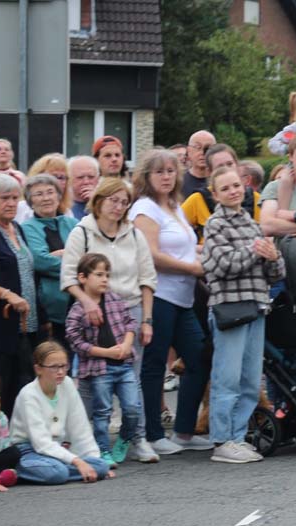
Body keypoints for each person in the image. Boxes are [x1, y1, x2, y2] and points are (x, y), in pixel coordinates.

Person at [60, 177, 158, 462]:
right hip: (93, 311)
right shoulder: (83, 232)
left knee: (132, 379)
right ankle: (84, 439)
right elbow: (69, 277)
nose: (118, 207)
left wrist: (147, 320)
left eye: (124, 202)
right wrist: (88, 301)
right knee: (91, 381)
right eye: (113, 200)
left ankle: (137, 438)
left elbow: (147, 279)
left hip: (129, 309)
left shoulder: (134, 234)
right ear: (99, 201)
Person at [128, 151, 211, 455]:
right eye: (159, 171)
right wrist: (192, 269)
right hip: (158, 296)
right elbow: (150, 254)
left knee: (198, 357)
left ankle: (184, 432)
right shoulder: (145, 208)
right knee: (154, 365)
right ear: (146, 176)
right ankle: (152, 434)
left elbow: (189, 249)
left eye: (171, 171)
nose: (166, 176)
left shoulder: (174, 207)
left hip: (184, 297)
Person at [201, 165, 285, 464]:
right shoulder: (215, 225)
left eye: (236, 185)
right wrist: (255, 251)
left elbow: (275, 272)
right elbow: (218, 266)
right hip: (230, 309)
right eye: (225, 188)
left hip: (257, 306)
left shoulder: (251, 222)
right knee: (227, 378)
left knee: (251, 379)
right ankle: (222, 440)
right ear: (214, 194)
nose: (233, 191)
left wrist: (273, 257)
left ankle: (238, 436)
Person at [64, 254, 144, 466]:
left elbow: (130, 322)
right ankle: (103, 449)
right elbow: (75, 341)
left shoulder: (115, 299)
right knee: (102, 412)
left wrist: (127, 345)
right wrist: (105, 352)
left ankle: (125, 438)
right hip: (100, 369)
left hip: (124, 365)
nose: (104, 279)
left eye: (107, 275)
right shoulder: (78, 309)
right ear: (82, 277)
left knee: (132, 407)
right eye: (99, 274)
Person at [10, 340, 112, 484]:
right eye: (53, 367)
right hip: (28, 451)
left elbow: (80, 428)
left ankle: (65, 469)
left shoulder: (67, 384)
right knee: (57, 473)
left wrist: (93, 459)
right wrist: (77, 462)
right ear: (38, 369)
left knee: (101, 465)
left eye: (64, 366)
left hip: (55, 450)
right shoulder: (28, 395)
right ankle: (18, 471)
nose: (60, 372)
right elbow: (41, 443)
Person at [0, 174, 38, 415]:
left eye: (15, 198)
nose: (11, 203)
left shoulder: (17, 228)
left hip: (26, 325)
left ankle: (14, 444)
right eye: (4, 198)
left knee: (21, 386)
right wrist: (6, 294)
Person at [20, 174, 78, 343]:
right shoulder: (27, 228)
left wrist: (61, 255)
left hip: (79, 304)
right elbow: (40, 261)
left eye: (50, 192)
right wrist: (73, 259)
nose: (46, 198)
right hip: (48, 310)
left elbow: (89, 258)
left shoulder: (73, 223)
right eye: (39, 194)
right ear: (30, 201)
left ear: (59, 196)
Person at [181, 143, 260, 241]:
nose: (227, 170)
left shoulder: (255, 198)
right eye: (220, 167)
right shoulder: (198, 199)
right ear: (210, 172)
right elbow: (173, 230)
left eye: (230, 164)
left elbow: (266, 235)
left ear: (237, 166)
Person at [181, 130, 217, 199]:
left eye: (208, 148)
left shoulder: (221, 181)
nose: (202, 153)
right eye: (198, 147)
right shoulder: (178, 182)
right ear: (188, 151)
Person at [67, 156, 100, 220]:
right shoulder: (63, 206)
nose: (86, 182)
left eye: (91, 177)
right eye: (80, 177)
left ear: (98, 179)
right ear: (69, 179)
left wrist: (96, 202)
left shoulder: (108, 202)